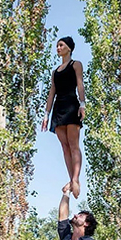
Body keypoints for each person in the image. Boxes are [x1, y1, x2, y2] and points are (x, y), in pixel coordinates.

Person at [41, 36, 85, 199]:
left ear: (69, 48)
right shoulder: (55, 72)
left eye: (61, 45)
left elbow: (80, 84)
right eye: (57, 45)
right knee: (64, 147)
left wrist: (82, 104)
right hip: (58, 110)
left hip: (71, 105)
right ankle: (71, 178)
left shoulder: (76, 65)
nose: (58, 48)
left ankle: (75, 179)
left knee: (74, 145)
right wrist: (46, 115)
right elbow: (51, 93)